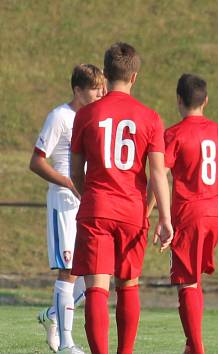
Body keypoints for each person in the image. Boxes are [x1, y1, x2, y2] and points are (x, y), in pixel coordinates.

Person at [70, 42, 173, 354]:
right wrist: (165, 218)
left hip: (97, 207)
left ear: (105, 74)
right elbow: (158, 173)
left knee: (97, 290)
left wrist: (90, 195)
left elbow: (75, 170)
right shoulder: (151, 118)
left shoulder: (86, 115)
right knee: (128, 285)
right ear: (135, 77)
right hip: (132, 211)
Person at [149, 73, 218, 353]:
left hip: (189, 214)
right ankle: (191, 347)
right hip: (215, 212)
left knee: (187, 284)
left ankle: (196, 347)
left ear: (178, 100)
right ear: (206, 100)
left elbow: (158, 174)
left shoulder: (175, 134)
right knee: (194, 281)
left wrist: (151, 213)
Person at [31, 63, 105, 353]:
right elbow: (36, 161)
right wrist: (69, 183)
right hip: (64, 204)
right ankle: (66, 343)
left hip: (89, 201)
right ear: (77, 90)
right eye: (94, 88)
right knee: (69, 270)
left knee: (93, 272)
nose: (100, 92)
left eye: (102, 87)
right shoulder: (60, 117)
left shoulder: (95, 116)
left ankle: (51, 315)